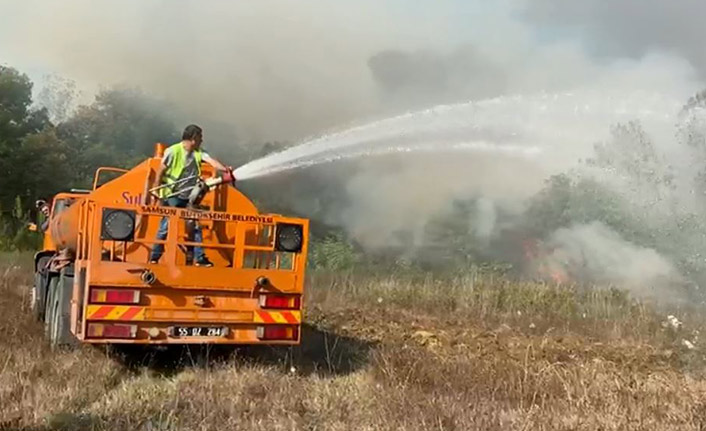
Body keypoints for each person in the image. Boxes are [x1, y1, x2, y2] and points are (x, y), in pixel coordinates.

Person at [149, 124, 230, 266]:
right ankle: (154, 257)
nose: (201, 140)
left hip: (188, 196)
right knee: (166, 226)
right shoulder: (173, 151)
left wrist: (225, 170)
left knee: (195, 225)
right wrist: (156, 189)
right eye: (200, 137)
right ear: (193, 138)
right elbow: (161, 170)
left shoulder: (199, 152)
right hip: (172, 195)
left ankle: (199, 258)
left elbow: (212, 161)